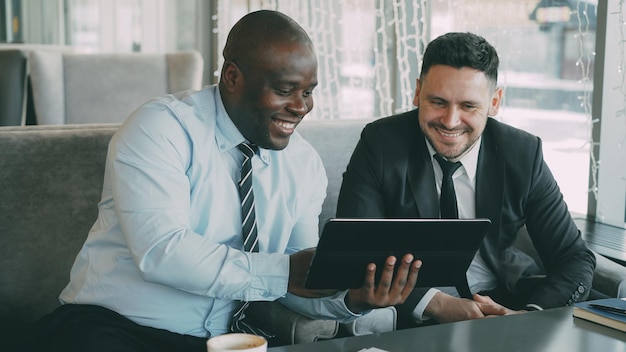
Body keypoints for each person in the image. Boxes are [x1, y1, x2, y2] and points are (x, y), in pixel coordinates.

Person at [33, 10, 420, 352]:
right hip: (117, 328)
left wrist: (353, 298)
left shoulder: (304, 164)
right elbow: (162, 251)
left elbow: (298, 281)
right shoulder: (159, 128)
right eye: (284, 90)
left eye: (307, 92)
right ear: (232, 76)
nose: (301, 107)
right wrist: (284, 271)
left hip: (230, 342)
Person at [336, 32, 596, 329]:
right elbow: (354, 250)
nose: (450, 121)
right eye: (438, 102)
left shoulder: (523, 154)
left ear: (495, 101)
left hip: (504, 306)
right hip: (412, 311)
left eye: (469, 106)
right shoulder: (380, 144)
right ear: (418, 92)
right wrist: (437, 304)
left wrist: (529, 317)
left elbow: (573, 257)